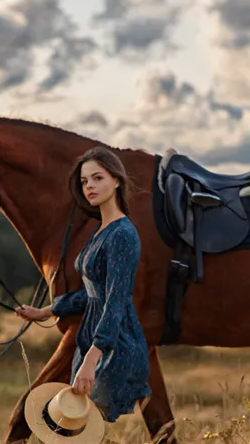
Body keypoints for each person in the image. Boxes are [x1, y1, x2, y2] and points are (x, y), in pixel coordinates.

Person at [15, 146, 151, 424]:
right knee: (75, 434)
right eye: (84, 181)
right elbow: (92, 295)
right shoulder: (101, 231)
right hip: (90, 344)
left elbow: (115, 300)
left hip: (114, 349)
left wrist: (91, 360)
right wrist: (46, 311)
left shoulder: (123, 235)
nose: (90, 186)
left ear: (116, 180)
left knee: (84, 434)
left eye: (97, 178)